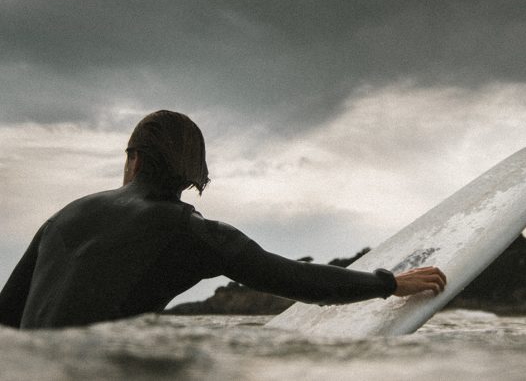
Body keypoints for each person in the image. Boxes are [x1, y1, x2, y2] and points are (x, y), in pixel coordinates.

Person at [0, 110, 447, 329]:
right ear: (193, 173)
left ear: (134, 161)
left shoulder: (64, 215)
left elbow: (5, 318)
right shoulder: (196, 234)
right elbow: (302, 282)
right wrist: (389, 283)